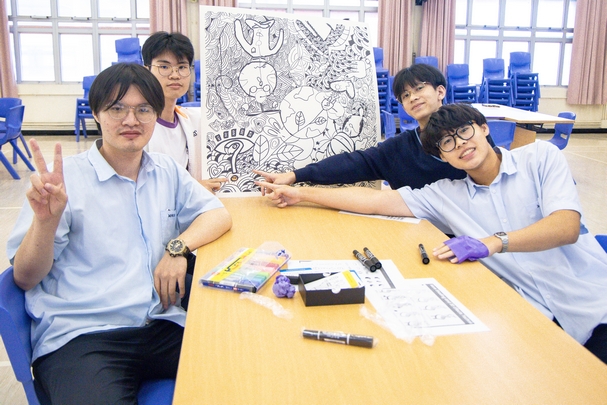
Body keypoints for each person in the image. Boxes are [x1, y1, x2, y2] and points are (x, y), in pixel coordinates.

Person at [256, 103, 607, 364]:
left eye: (464, 132)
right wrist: (300, 193)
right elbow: (376, 201)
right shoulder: (447, 194)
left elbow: (566, 226)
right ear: (442, 157)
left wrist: (491, 243)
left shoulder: (539, 158)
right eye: (447, 143)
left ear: (484, 128)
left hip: (594, 307)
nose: (460, 145)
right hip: (536, 321)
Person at [6, 63, 232, 404]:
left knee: (248, 366)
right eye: (117, 109)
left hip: (160, 323)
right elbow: (24, 278)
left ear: (156, 115)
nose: (131, 120)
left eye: (143, 109)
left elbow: (217, 214)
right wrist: (45, 222)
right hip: (84, 337)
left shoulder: (165, 170)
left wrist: (177, 248)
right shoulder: (62, 182)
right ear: (97, 113)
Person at [254, 64, 467, 190]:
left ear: (440, 91)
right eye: (405, 95)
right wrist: (295, 175)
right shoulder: (400, 148)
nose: (413, 97)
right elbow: (354, 162)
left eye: (419, 88)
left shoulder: (468, 134)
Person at [142, 31, 227, 193]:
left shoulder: (195, 119)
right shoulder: (137, 126)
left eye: (182, 67)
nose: (175, 75)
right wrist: (192, 189)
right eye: (164, 67)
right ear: (147, 70)